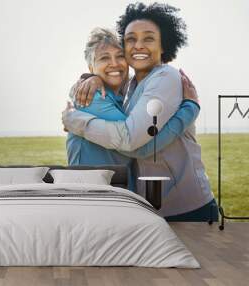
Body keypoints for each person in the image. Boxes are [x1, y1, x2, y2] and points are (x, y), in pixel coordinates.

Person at [62, 2, 218, 221]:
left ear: (163, 45)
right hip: (114, 206)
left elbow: (134, 143)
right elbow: (137, 145)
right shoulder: (118, 91)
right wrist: (91, 78)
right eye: (131, 40)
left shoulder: (164, 78)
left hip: (184, 206)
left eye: (148, 38)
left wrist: (75, 121)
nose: (138, 46)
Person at [67, 27, 200, 192]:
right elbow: (137, 146)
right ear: (91, 67)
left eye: (120, 56)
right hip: (93, 196)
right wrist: (189, 109)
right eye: (104, 58)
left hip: (116, 194)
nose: (114, 64)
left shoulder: (124, 96)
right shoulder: (93, 97)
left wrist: (90, 78)